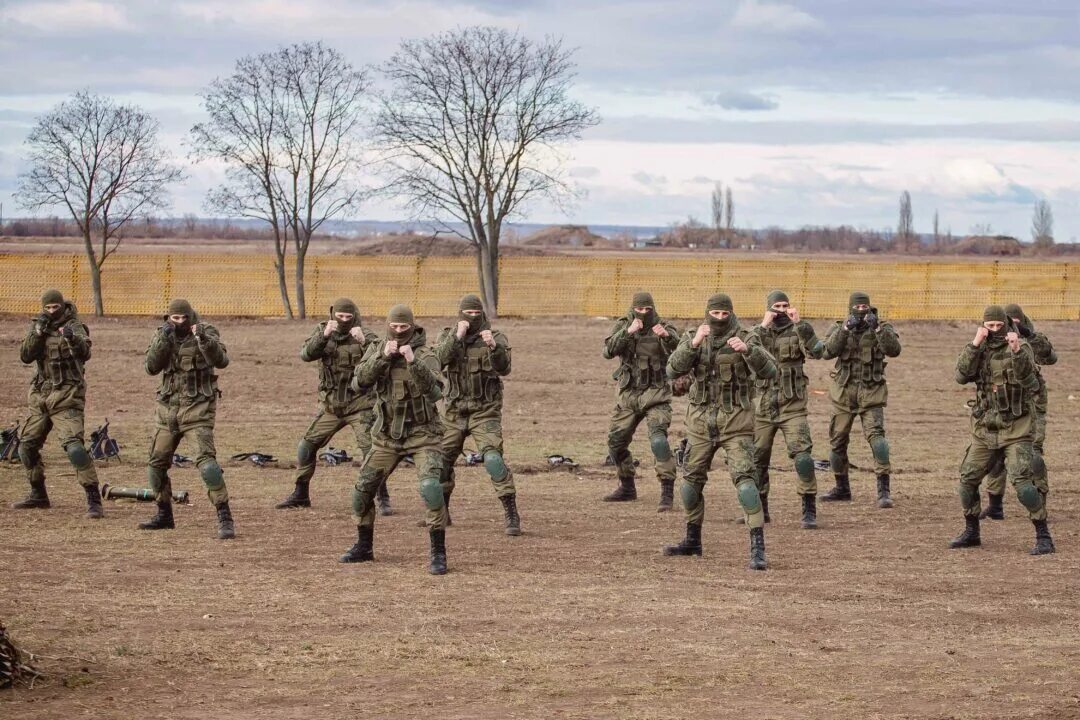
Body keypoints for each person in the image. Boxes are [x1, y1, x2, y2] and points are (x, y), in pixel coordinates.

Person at [663, 293, 778, 570]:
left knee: (746, 483)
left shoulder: (747, 336)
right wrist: (692, 344)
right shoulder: (693, 335)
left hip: (735, 422)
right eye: (715, 314)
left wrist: (748, 351)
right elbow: (671, 370)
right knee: (690, 483)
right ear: (708, 313)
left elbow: (770, 371)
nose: (720, 319)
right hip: (701, 422)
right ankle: (692, 540)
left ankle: (757, 547)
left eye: (724, 314)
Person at [340, 305, 450, 574]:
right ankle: (364, 546)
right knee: (362, 491)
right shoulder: (378, 348)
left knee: (430, 488)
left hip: (423, 435)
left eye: (404, 328)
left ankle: (438, 552)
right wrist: (383, 358)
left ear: (412, 327)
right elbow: (358, 383)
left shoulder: (426, 354)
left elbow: (435, 393)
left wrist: (414, 362)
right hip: (387, 436)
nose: (399, 332)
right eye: (395, 327)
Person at [950, 305, 1054, 554]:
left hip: (1017, 428)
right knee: (967, 479)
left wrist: (1017, 349)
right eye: (990, 326)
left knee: (1022, 482)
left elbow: (1030, 381)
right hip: (986, 427)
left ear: (1006, 325)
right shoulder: (980, 348)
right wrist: (975, 344)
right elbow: (961, 376)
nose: (995, 330)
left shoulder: (1021, 346)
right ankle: (972, 531)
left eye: (999, 326)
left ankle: (1043, 535)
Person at [276, 298, 392, 514]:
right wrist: (324, 336)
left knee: (371, 451)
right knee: (306, 446)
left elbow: (383, 362)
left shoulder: (366, 335)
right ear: (332, 315)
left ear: (355, 316)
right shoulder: (323, 331)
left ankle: (382, 496)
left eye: (349, 317)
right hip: (331, 407)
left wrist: (364, 341)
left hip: (361, 404)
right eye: (340, 317)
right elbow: (306, 355)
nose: (344, 321)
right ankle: (301, 493)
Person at [139, 299, 235, 539]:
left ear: (191, 316)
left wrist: (203, 340)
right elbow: (151, 367)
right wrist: (163, 338)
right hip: (167, 411)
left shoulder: (206, 331)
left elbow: (221, 361)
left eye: (184, 318)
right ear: (169, 318)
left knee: (207, 464)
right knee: (156, 465)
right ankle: (164, 514)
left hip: (198, 410)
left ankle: (224, 515)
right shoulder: (162, 334)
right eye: (175, 319)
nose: (180, 323)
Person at [433, 294, 520, 535]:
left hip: (485, 411)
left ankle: (511, 512)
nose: (472, 318)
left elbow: (505, 368)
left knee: (493, 459)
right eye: (468, 313)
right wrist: (457, 337)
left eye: (476, 313)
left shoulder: (495, 337)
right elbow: (436, 362)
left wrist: (493, 347)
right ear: (460, 314)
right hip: (453, 411)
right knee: (441, 461)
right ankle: (443, 512)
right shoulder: (446, 336)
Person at [12, 289, 103, 518]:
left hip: (67, 395)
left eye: (55, 307)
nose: (52, 311)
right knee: (26, 446)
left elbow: (85, 353)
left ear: (62, 306)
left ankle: (93, 498)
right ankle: (38, 494)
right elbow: (25, 355)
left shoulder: (75, 326)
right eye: (48, 308)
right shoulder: (38, 326)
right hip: (42, 396)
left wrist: (71, 337)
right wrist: (37, 332)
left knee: (74, 448)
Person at [749, 290, 825, 529]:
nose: (781, 310)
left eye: (785, 305)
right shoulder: (756, 333)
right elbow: (746, 355)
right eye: (777, 306)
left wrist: (800, 324)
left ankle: (809, 508)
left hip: (793, 406)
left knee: (802, 455)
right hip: (762, 406)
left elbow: (817, 352)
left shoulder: (799, 330)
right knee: (757, 459)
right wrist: (764, 324)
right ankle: (761, 509)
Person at [820, 291, 901, 507]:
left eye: (865, 308)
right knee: (837, 441)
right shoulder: (839, 327)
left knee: (877, 439)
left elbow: (894, 350)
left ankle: (884, 491)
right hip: (844, 392)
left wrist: (877, 329)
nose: (862, 312)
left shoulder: (883, 328)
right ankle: (841, 488)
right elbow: (827, 352)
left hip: (871, 391)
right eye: (858, 308)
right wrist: (845, 329)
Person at [601, 291, 680, 510]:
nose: (644, 313)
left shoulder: (664, 326)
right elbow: (607, 351)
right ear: (633, 308)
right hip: (628, 395)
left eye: (647, 309)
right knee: (615, 443)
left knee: (658, 442)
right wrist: (628, 332)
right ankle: (627, 486)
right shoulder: (623, 325)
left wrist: (666, 336)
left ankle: (666, 491)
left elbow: (684, 351)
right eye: (640, 309)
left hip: (656, 395)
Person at [979, 302, 1056, 520]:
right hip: (1001, 404)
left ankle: (1040, 501)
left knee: (1033, 454)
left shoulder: (1027, 337)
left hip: (1031, 405)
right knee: (995, 453)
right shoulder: (993, 337)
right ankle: (995, 504)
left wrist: (1026, 334)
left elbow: (1050, 357)